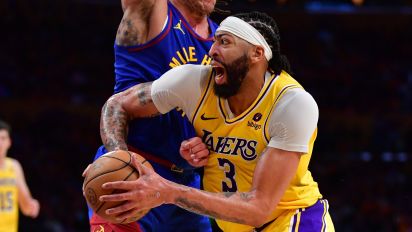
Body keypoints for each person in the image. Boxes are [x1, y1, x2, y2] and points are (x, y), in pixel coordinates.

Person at [98, 12, 335, 231]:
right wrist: (119, 157)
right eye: (214, 41)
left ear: (257, 54)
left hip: (292, 221)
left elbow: (258, 208)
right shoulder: (194, 82)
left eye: (225, 42)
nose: (211, 51)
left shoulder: (292, 103)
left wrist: (165, 191)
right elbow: (117, 104)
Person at [85, 0, 220, 231]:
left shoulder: (223, 40)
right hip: (133, 168)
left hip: (186, 183)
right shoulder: (153, 11)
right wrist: (119, 159)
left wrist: (205, 146)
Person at [0, 120, 40, 232]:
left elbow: (26, 207)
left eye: (3, 138)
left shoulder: (14, 167)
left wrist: (31, 206)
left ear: (9, 142)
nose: (0, 143)